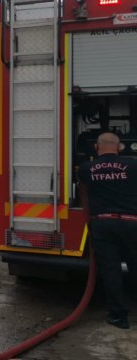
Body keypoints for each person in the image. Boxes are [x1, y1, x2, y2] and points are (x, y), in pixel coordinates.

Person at [78, 132, 137, 330]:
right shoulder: (133, 165)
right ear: (119, 147)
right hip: (131, 223)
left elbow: (83, 191)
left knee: (111, 270)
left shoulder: (86, 169)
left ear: (96, 148)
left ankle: (118, 316)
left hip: (102, 224)